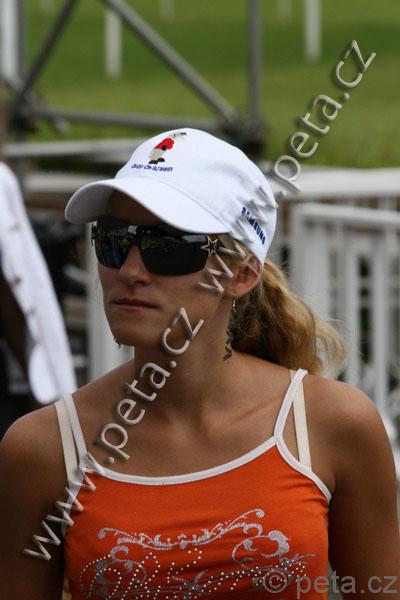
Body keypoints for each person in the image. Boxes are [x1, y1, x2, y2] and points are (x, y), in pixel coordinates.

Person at [0, 128, 399, 599]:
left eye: (169, 246)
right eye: (113, 240)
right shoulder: (41, 449)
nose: (130, 270)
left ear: (241, 273)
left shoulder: (333, 424)